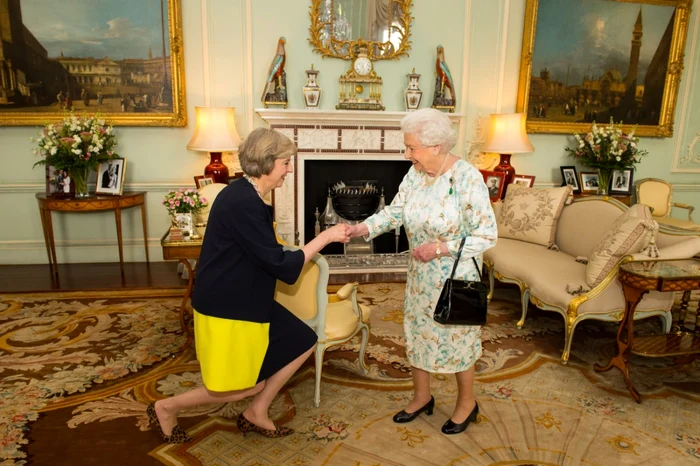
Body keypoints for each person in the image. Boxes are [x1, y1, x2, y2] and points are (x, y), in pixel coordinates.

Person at [148, 128, 351, 443]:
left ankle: (257, 411)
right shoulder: (242, 201)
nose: (289, 169)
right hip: (228, 304)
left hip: (247, 294)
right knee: (244, 385)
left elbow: (266, 252)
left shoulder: (248, 194)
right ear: (268, 163)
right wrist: (324, 237)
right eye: (285, 163)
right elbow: (282, 267)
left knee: (303, 339)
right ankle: (166, 407)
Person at [346, 108, 497, 435]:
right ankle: (421, 396)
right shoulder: (415, 175)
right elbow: (395, 212)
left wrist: (439, 248)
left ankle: (467, 403)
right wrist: (362, 228)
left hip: (456, 276)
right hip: (421, 276)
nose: (407, 154)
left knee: (457, 338)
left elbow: (486, 234)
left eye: (411, 147)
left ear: (435, 147)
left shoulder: (467, 178)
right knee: (418, 333)